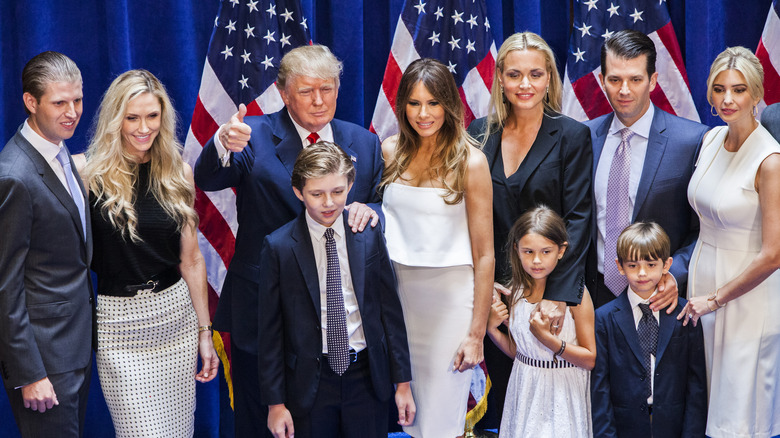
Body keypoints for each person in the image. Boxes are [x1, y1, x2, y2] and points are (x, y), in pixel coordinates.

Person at [193, 44, 383, 436]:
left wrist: (373, 210)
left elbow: (377, 202)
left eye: (327, 89)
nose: (319, 101)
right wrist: (222, 144)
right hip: (265, 313)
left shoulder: (363, 142)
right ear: (283, 93)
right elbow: (209, 178)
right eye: (306, 91)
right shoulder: (255, 136)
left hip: (337, 321)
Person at [80, 69, 218, 437]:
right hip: (118, 327)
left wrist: (205, 332)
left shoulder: (178, 172)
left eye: (152, 116)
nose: (144, 127)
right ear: (115, 119)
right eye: (132, 117)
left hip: (176, 321)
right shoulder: (85, 173)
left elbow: (191, 260)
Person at [466, 31, 592, 422]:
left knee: (546, 411)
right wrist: (482, 294)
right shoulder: (478, 133)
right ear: (500, 78)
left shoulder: (572, 135)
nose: (525, 85)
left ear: (550, 79)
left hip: (547, 294)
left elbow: (578, 218)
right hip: (493, 296)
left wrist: (558, 295)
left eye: (536, 74)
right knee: (502, 404)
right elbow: (469, 217)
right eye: (515, 74)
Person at [257, 141, 414, 438]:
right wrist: (275, 404)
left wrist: (403, 382)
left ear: (351, 185)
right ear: (298, 192)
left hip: (366, 377)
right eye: (317, 194)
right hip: (310, 384)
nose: (328, 203)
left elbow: (389, 311)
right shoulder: (278, 247)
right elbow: (270, 332)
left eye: (338, 192)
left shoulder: (367, 233)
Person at [381, 58, 494, 437]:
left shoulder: (471, 162)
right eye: (414, 103)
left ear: (450, 104)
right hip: (398, 301)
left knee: (443, 422)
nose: (423, 113)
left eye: (433, 103)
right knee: (411, 421)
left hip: (450, 304)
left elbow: (484, 255)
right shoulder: (389, 151)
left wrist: (476, 334)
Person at [682, 46, 780, 437]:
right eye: (719, 88)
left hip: (747, 298)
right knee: (712, 406)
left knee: (741, 418)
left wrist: (717, 297)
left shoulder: (770, 161)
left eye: (739, 90)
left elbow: (774, 255)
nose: (727, 99)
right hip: (703, 284)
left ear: (756, 94)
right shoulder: (710, 140)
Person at [0, 51, 93, 437]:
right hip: (45, 364)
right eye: (60, 102)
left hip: (74, 348)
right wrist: (29, 373)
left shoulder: (58, 149)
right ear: (30, 101)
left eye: (78, 100)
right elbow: (5, 285)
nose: (72, 112)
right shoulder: (14, 176)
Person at [585, 29, 709, 310]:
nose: (624, 90)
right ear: (602, 81)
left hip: (661, 297)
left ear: (653, 81)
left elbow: (705, 229)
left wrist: (675, 274)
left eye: (635, 79)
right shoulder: (584, 137)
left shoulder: (691, 141)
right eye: (615, 80)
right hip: (595, 300)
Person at [486, 206, 596, 437]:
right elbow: (521, 351)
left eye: (546, 251)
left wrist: (547, 339)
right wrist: (492, 329)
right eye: (528, 252)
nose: (537, 260)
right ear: (516, 249)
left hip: (563, 391)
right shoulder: (515, 291)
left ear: (561, 250)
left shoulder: (576, 295)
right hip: (525, 388)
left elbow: (589, 359)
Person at [592, 222, 707, 437]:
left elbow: (696, 384)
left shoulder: (684, 313)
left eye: (651, 265)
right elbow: (600, 387)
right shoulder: (604, 318)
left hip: (673, 425)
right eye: (633, 265)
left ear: (667, 265)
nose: (642, 273)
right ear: (619, 266)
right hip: (625, 427)